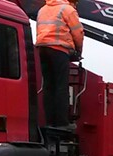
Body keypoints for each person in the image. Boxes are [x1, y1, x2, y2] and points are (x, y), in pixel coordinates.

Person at [36, 0, 84, 129]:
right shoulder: (68, 10)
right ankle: (62, 123)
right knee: (61, 86)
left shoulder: (43, 10)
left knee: (48, 86)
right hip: (59, 49)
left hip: (42, 49)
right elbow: (78, 33)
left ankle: (50, 122)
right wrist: (78, 50)